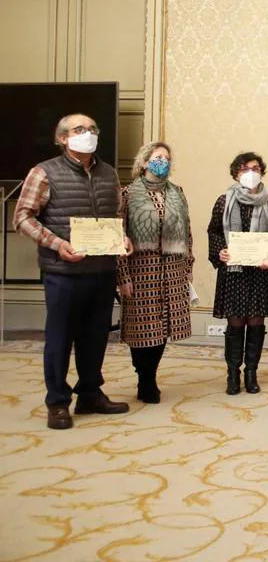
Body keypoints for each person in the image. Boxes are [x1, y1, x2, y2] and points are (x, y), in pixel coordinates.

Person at [13, 114, 130, 429]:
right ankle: (57, 402)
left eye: (93, 128)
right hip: (63, 271)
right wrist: (56, 243)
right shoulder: (44, 172)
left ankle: (90, 394)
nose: (88, 134)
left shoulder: (109, 174)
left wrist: (123, 238)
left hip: (102, 268)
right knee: (60, 340)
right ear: (62, 138)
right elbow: (22, 217)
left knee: (95, 338)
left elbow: (115, 214)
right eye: (80, 129)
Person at [116, 142, 194, 404]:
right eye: (158, 157)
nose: (164, 162)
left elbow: (187, 232)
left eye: (167, 158)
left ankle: (151, 376)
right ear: (145, 162)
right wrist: (122, 276)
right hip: (140, 269)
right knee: (142, 330)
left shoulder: (178, 193)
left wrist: (188, 266)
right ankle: (144, 377)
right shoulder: (126, 194)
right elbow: (118, 236)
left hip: (172, 268)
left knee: (162, 328)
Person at [208, 152, 268, 396]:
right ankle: (233, 373)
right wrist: (220, 251)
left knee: (256, 322)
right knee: (236, 322)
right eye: (243, 169)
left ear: (262, 172)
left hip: (260, 274)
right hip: (234, 273)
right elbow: (215, 232)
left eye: (254, 168)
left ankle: (251, 373)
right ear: (235, 174)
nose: (249, 172)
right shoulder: (224, 200)